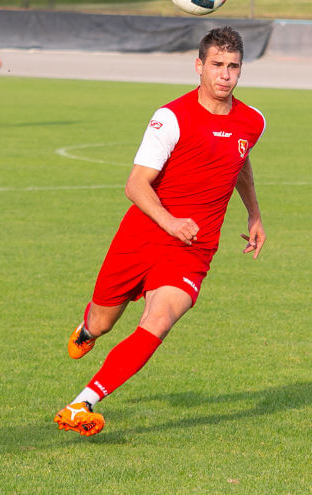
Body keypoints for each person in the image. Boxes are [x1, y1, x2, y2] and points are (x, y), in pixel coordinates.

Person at [54, 26, 267, 437]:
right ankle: (86, 329)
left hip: (194, 247)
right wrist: (170, 221)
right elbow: (135, 185)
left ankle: (83, 402)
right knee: (102, 323)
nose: (225, 75)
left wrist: (254, 213)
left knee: (161, 317)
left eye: (233, 67)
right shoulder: (171, 117)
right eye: (217, 65)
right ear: (199, 67)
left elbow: (239, 161)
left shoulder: (252, 121)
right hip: (143, 235)